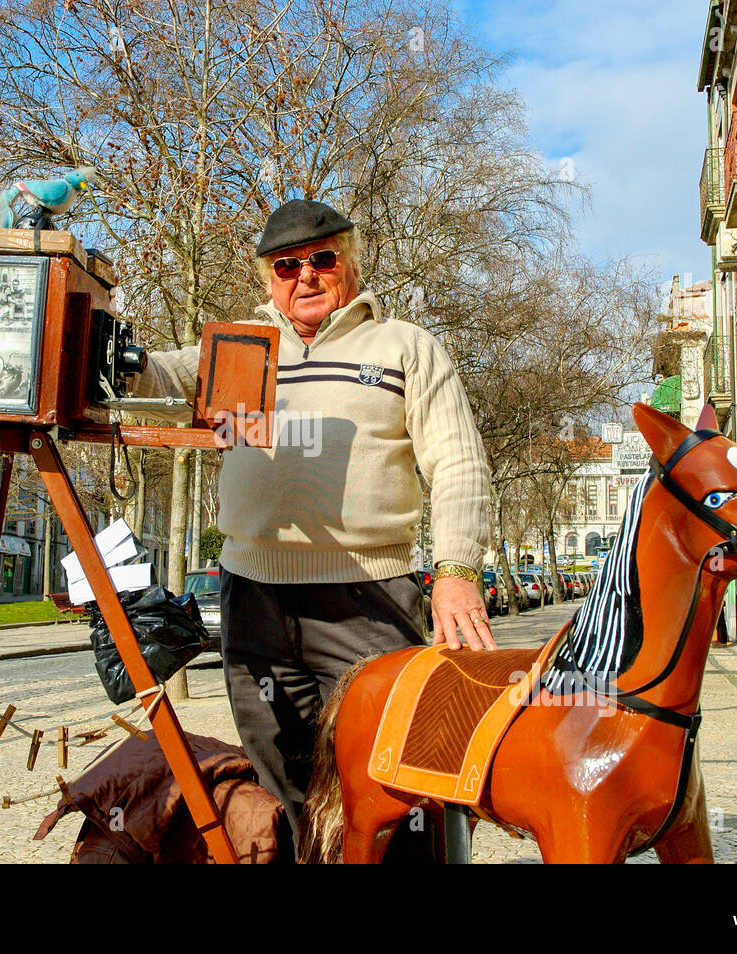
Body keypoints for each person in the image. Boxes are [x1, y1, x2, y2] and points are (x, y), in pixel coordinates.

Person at [132, 199, 495, 855]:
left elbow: (460, 463)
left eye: (321, 259)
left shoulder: (405, 346)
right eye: (286, 264)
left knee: (393, 779)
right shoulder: (242, 347)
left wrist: (456, 572)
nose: (305, 274)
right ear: (267, 277)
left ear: (348, 263)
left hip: (370, 598)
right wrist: (116, 350)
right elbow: (155, 381)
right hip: (253, 596)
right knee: (281, 779)